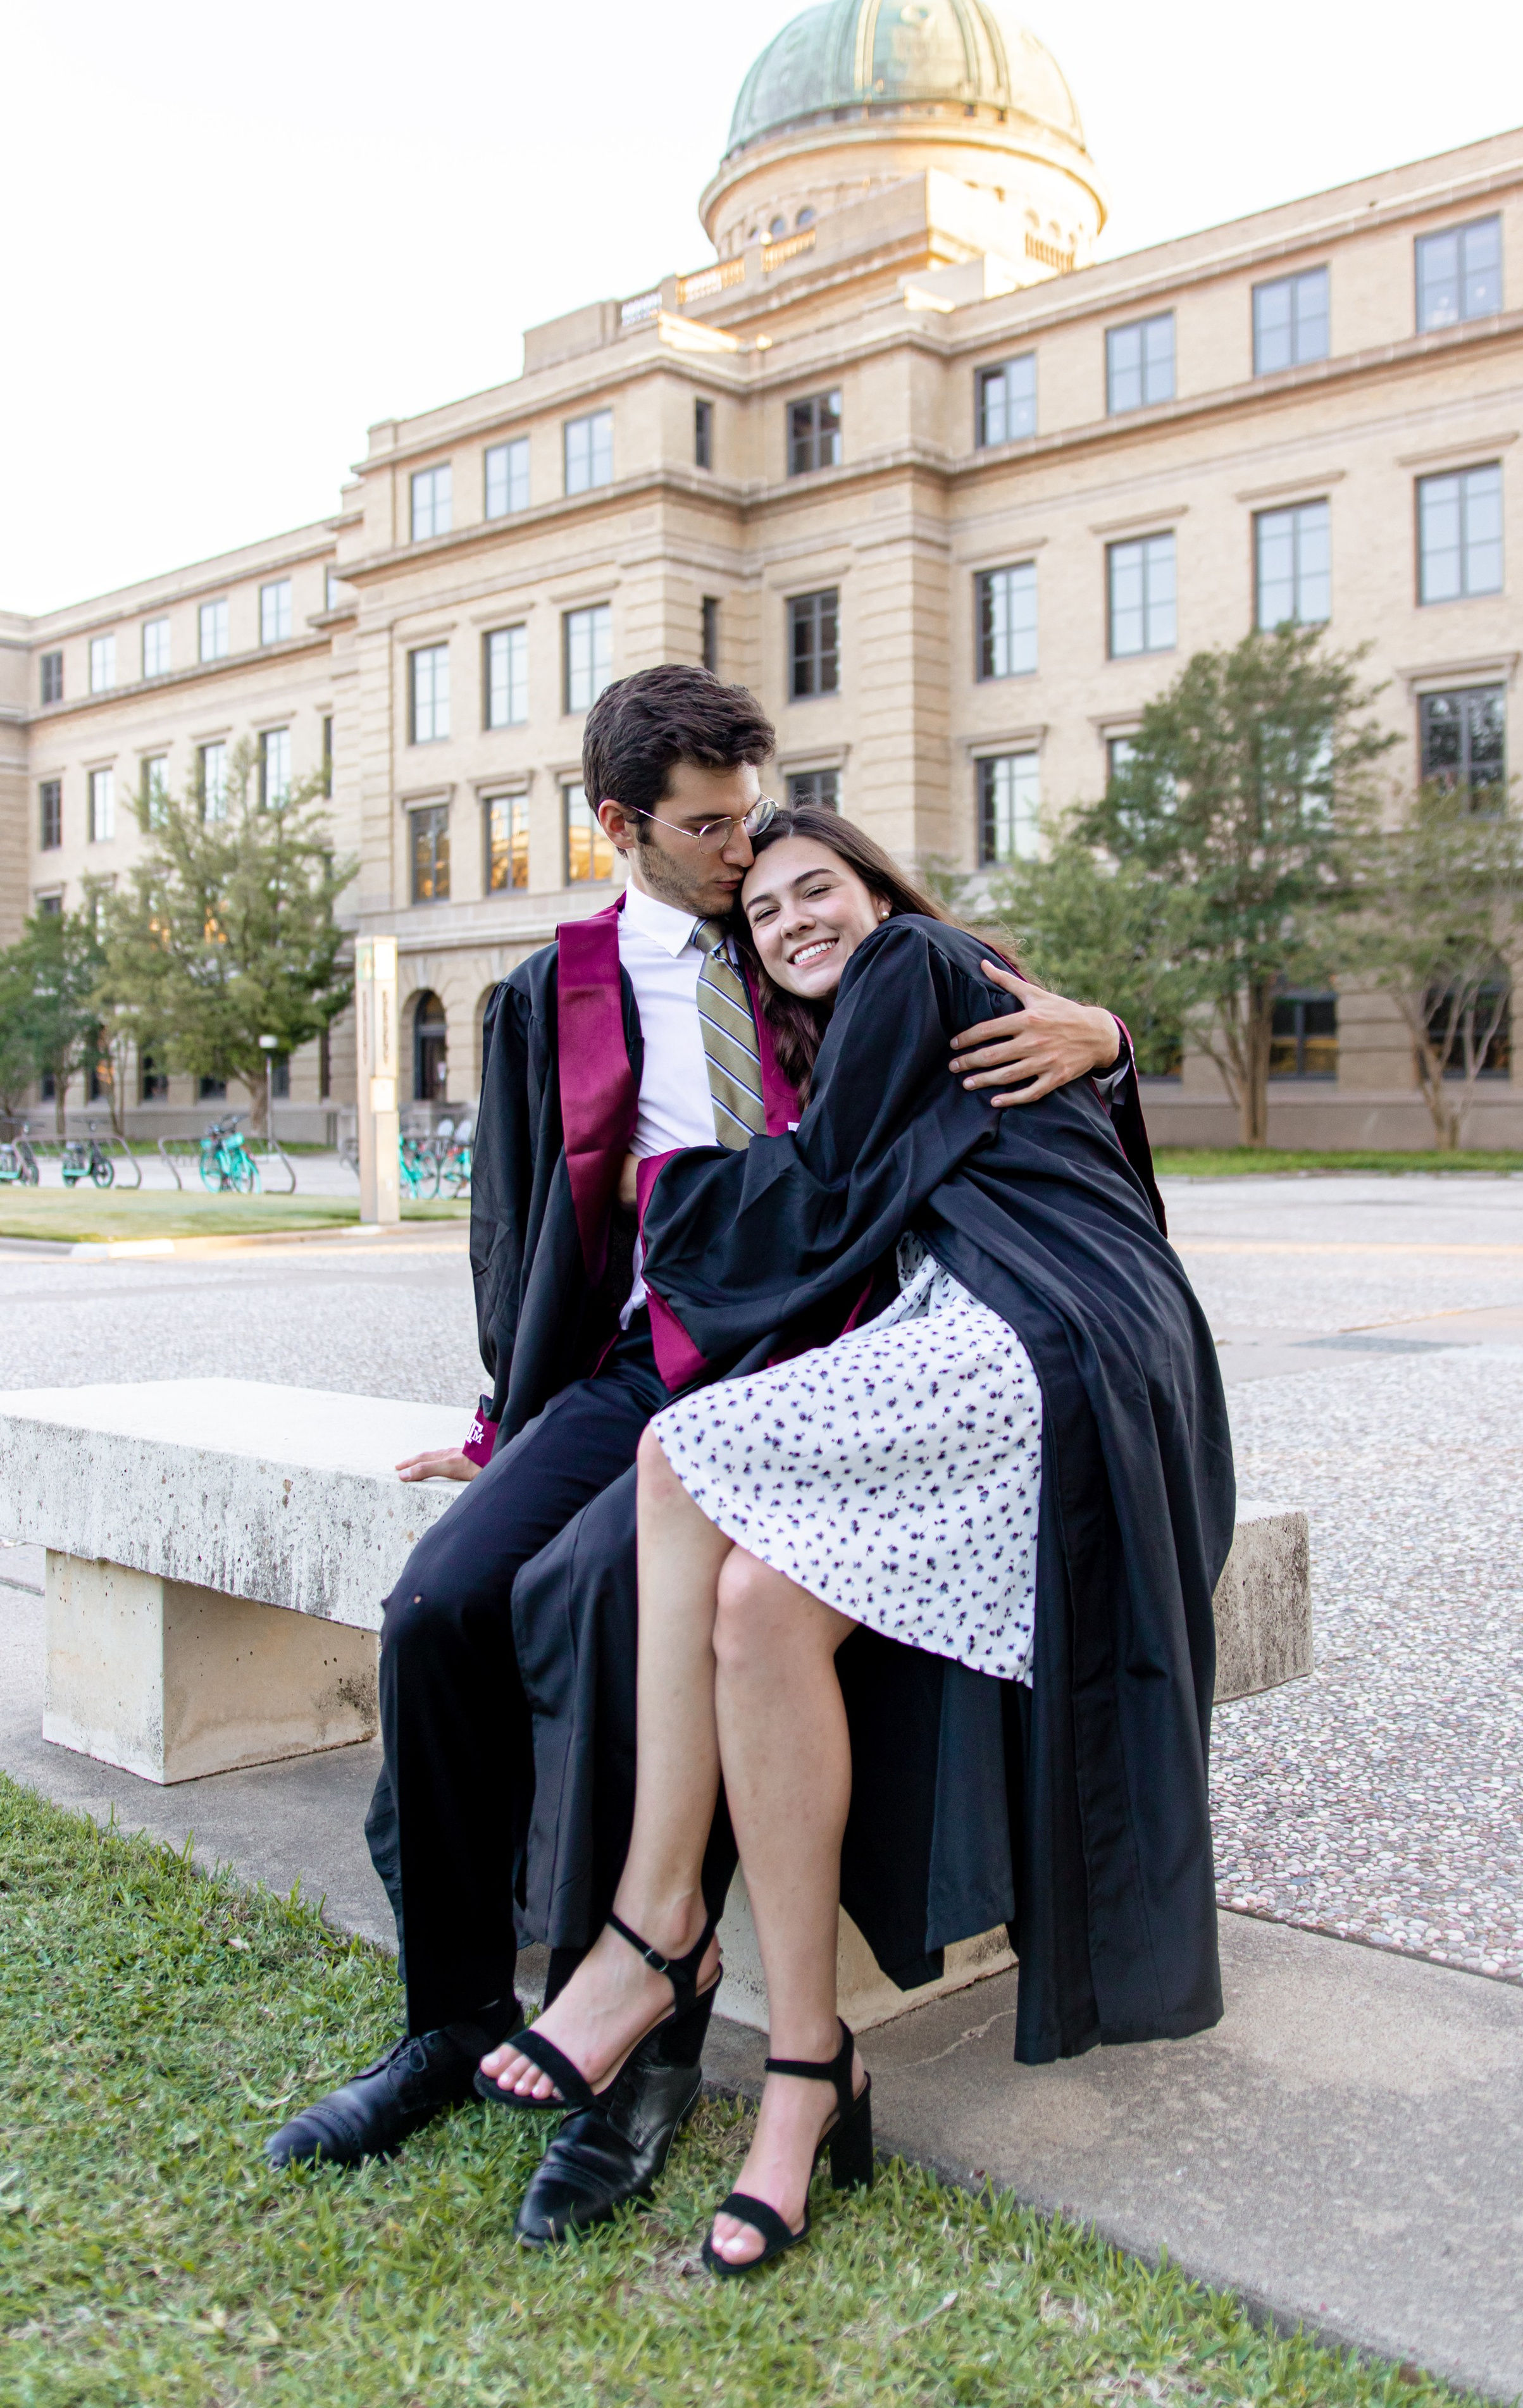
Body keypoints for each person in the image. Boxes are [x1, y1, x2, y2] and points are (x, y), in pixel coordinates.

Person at [268, 671, 1128, 2197]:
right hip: (642, 1363)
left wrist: (1101, 1026)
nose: (745, 857)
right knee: (441, 1604)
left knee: (607, 1598)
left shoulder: (827, 927)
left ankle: (644, 2048)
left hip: (830, 1353)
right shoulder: (565, 987)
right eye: (711, 828)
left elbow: (986, 1045)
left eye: (756, 814)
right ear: (622, 828)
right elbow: (521, 1225)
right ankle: (448, 2019)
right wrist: (501, 1415)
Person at [477, 807, 1234, 2272]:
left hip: (1045, 1330)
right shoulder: (934, 1005)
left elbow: (811, 1194)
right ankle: (808, 2076)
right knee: (758, 1605)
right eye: (763, 917)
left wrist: (662, 1189)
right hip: (1064, 1337)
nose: (792, 922)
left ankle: (651, 1929)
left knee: (673, 1452)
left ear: (877, 889)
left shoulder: (911, 965)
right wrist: (1116, 1038)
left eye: (812, 887)